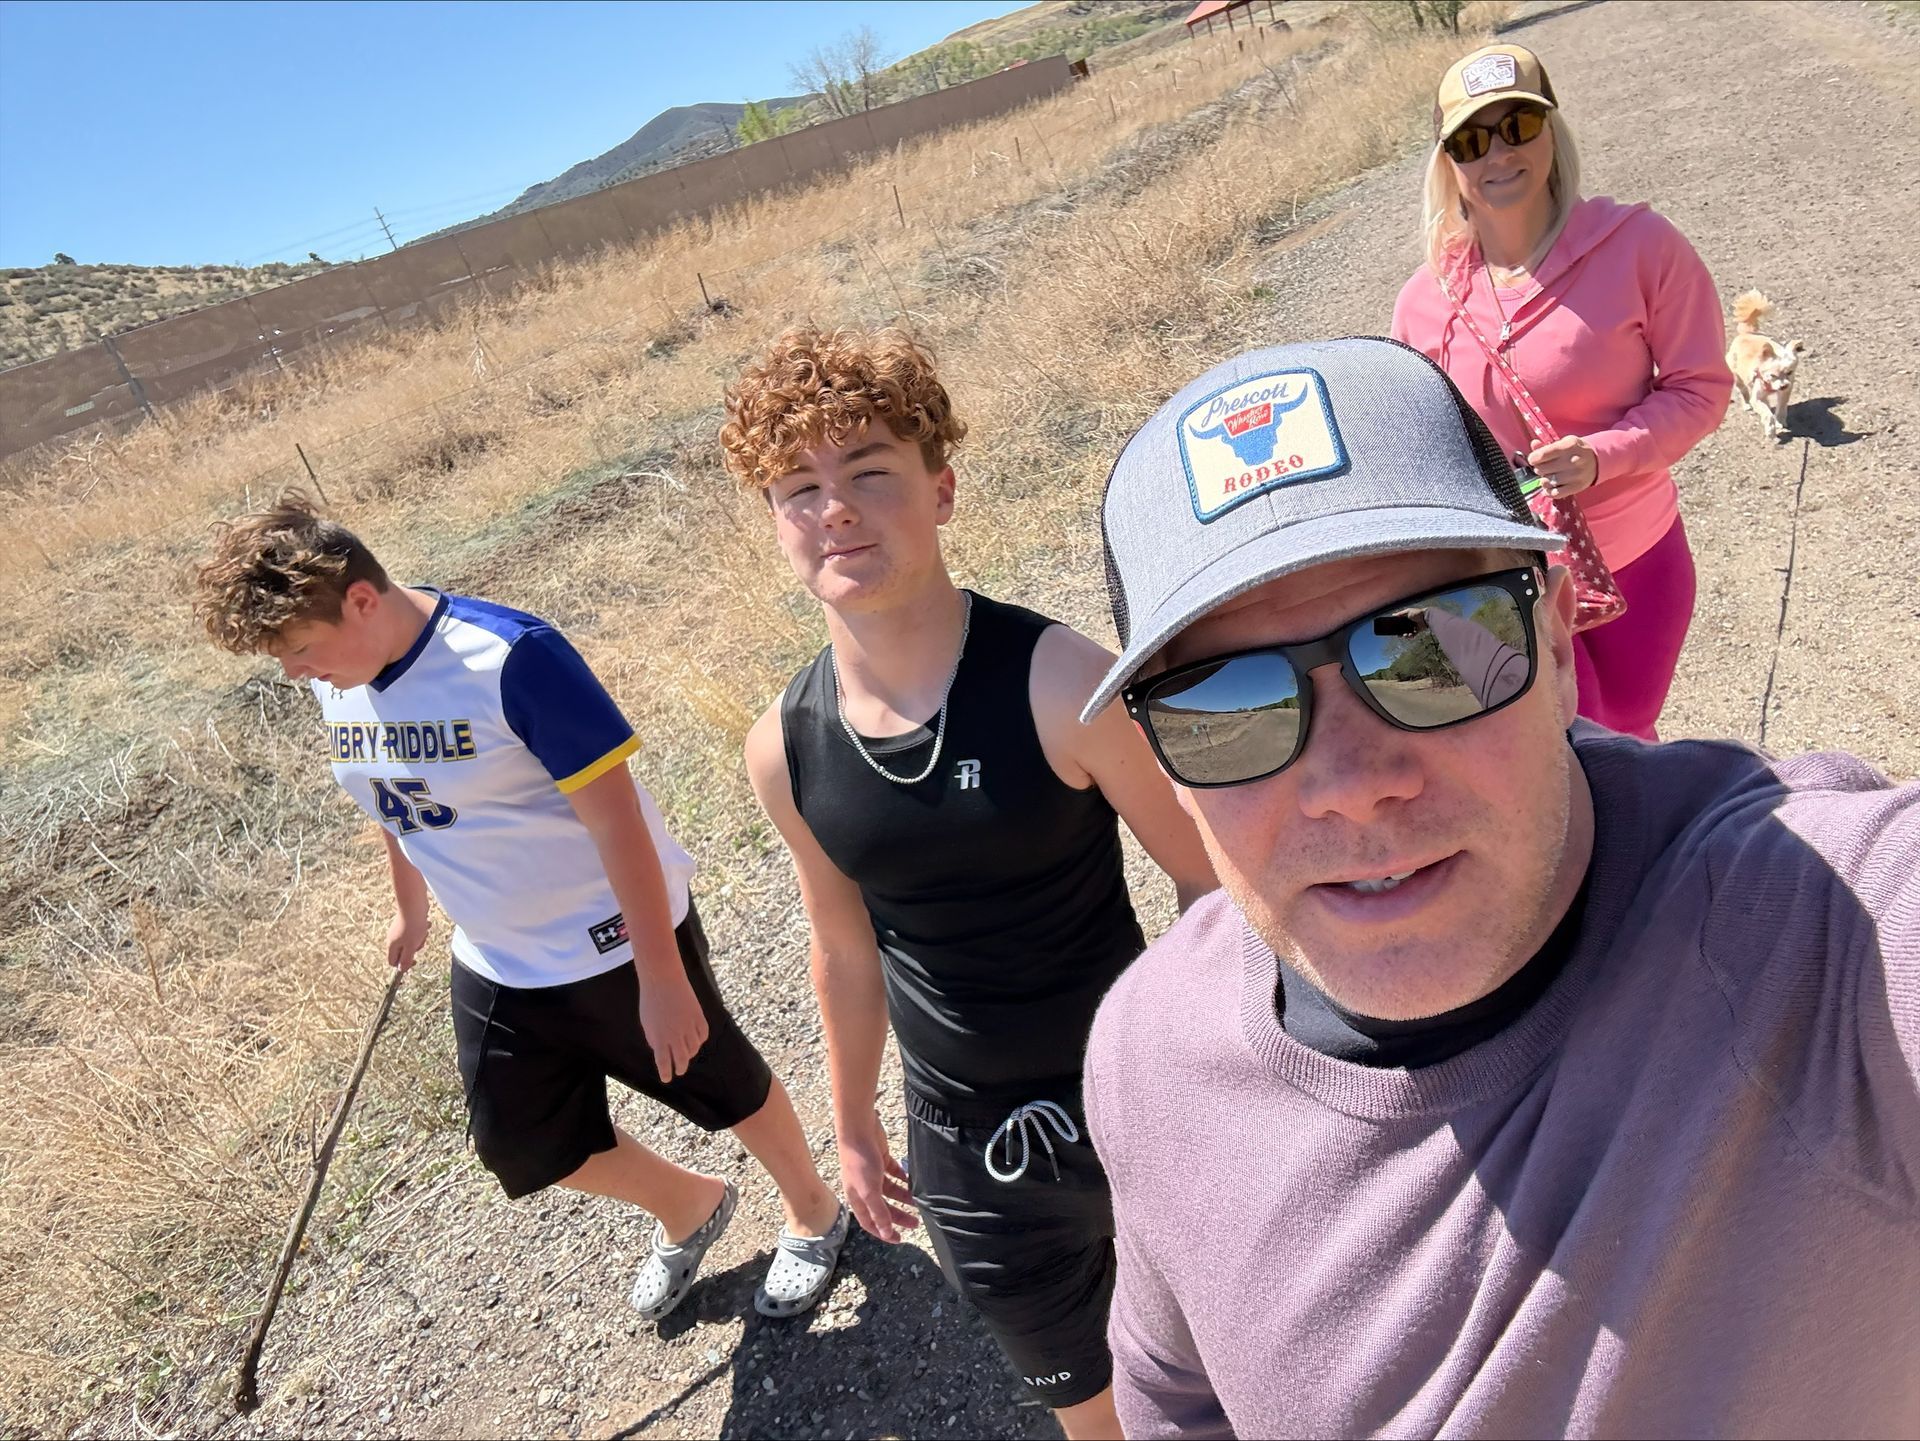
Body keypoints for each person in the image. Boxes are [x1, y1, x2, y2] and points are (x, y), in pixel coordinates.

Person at [1076, 336, 1919, 1438]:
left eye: (1423, 647)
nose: (1352, 786)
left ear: (1560, 640)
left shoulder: (1821, 931)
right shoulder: (1147, 1053)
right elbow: (1179, 1402)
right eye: (1227, 708)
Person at [723, 326, 1215, 1438]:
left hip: (1141, 1097)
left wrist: (1217, 1056)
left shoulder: (1059, 681)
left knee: (1236, 1370)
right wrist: (852, 1125)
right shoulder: (782, 749)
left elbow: (1203, 876)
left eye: (870, 473)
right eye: (799, 487)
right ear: (776, 525)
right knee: (1095, 1417)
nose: (835, 508)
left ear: (940, 491)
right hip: (969, 1154)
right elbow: (845, 951)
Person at [193, 495, 850, 1324]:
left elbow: (619, 823)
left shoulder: (508, 658)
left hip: (611, 937)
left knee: (718, 1082)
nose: (294, 672)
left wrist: (662, 977)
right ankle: (689, 1205)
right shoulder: (342, 676)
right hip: (497, 953)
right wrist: (411, 907)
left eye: (297, 649)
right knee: (524, 1141)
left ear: (360, 598)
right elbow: (394, 794)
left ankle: (815, 1210)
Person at [1390, 42, 1733, 741]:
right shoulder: (1423, 300)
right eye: (1471, 139)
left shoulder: (1642, 246)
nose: (1498, 153)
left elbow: (1702, 389)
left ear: (1552, 132)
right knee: (1549, 745)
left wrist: (1604, 456)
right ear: (1448, 164)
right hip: (1500, 582)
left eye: (1518, 124)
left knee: (1626, 730)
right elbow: (1414, 444)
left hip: (1635, 555)